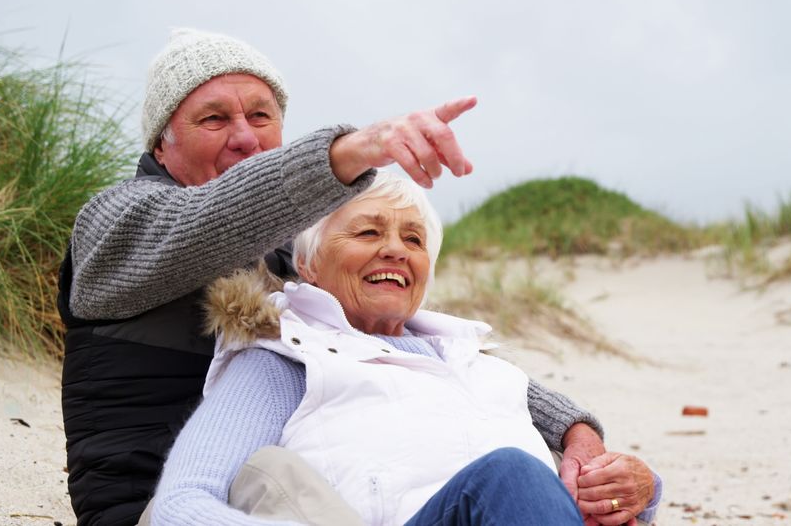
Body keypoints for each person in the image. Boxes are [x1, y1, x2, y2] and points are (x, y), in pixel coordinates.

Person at [58, 29, 627, 525]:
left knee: (502, 477)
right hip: (166, 506)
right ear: (163, 140)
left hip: (296, 491)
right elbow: (204, 223)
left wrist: (572, 429)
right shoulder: (119, 223)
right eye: (214, 118)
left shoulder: (292, 250)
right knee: (280, 470)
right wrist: (355, 151)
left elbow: (398, 355)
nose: (245, 137)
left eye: (261, 115)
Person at [149, 171, 661, 525]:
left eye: (414, 240)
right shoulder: (287, 359)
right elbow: (182, 505)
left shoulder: (478, 365)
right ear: (307, 264)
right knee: (511, 475)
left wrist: (640, 489)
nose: (395, 248)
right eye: (368, 230)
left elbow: (565, 480)